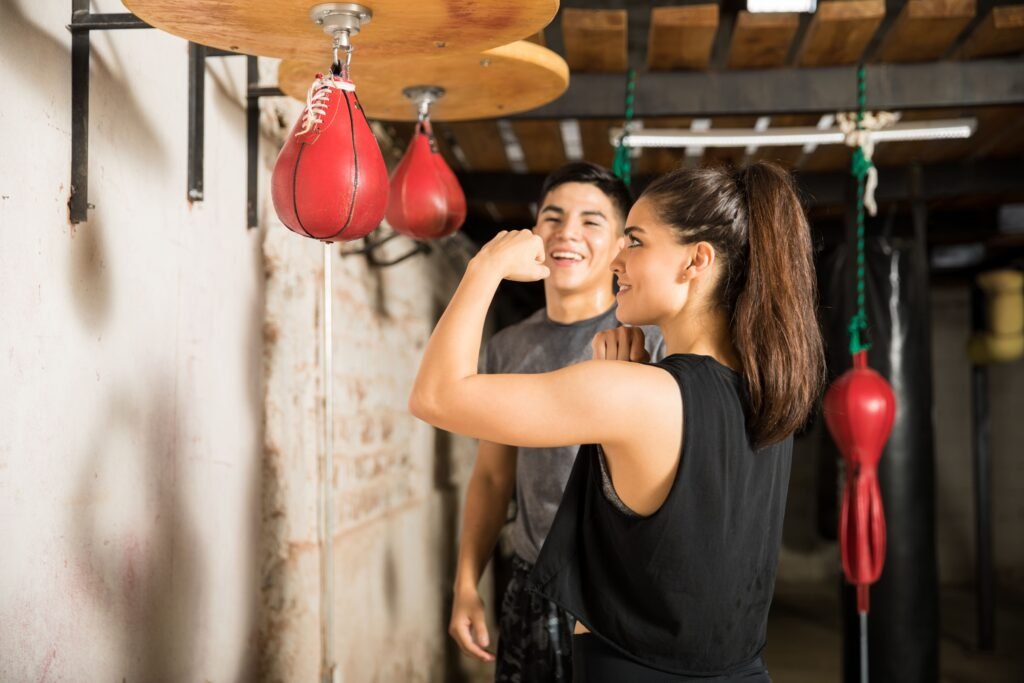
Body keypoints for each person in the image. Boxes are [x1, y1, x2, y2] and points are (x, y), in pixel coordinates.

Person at [412, 161, 826, 681]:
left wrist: (484, 267)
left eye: (634, 241)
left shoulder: (636, 393)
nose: (617, 261)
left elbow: (434, 396)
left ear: (696, 261)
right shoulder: (768, 391)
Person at [447, 162, 664, 683]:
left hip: (619, 584)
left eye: (592, 221)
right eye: (553, 216)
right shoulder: (508, 345)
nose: (567, 232)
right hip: (532, 578)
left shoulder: (650, 339)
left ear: (619, 245)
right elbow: (494, 475)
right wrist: (466, 582)